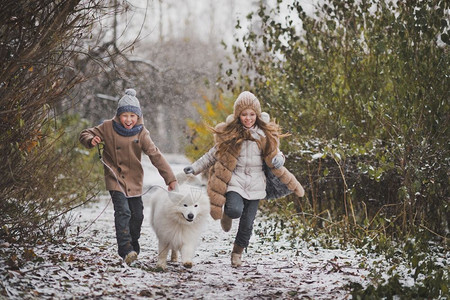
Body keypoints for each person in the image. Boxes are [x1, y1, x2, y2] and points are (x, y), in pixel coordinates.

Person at [183, 91, 304, 267]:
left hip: (257, 184)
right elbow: (212, 155)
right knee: (234, 210)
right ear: (238, 115)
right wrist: (194, 168)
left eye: (252, 114)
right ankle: (227, 215)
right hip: (236, 182)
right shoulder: (231, 136)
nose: (248, 118)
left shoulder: (264, 135)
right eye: (244, 114)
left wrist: (280, 159)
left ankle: (237, 254)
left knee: (247, 224)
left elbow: (276, 153)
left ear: (257, 115)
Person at [79, 89, 178, 265]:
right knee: (123, 212)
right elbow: (85, 133)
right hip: (115, 178)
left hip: (134, 181)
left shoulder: (141, 133)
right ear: (118, 115)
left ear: (138, 117)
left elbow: (155, 155)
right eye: (125, 115)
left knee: (137, 215)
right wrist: (91, 139)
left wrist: (169, 178)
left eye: (133, 115)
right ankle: (125, 249)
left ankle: (133, 246)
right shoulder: (108, 127)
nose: (129, 120)